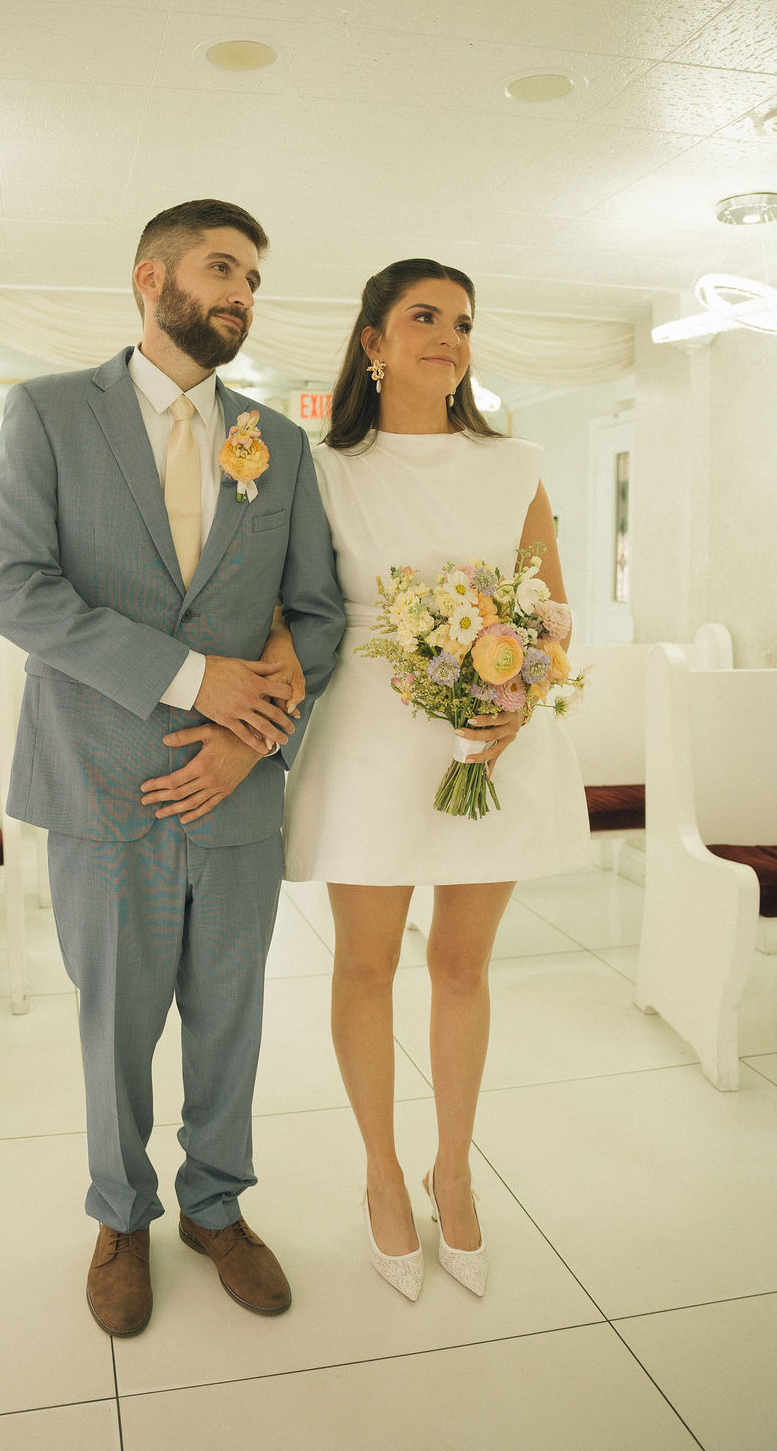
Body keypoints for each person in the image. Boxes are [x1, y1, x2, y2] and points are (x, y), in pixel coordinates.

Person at [0, 198, 345, 1337]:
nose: (242, 294)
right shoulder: (49, 412)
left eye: (254, 279)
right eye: (222, 268)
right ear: (152, 277)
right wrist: (195, 680)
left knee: (233, 1015)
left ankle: (215, 1207)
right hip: (99, 782)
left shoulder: (278, 442)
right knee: (115, 1026)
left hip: (236, 793)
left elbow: (318, 615)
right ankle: (121, 1215)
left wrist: (252, 738)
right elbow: (18, 591)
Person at [283, 258, 590, 1301]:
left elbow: (550, 615)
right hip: (370, 735)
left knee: (463, 966)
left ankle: (451, 1170)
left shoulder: (516, 466)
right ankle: (380, 1171)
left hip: (488, 735)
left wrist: (517, 702)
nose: (449, 339)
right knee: (366, 966)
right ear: (372, 341)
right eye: (425, 318)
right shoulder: (323, 471)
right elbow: (295, 608)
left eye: (462, 323)